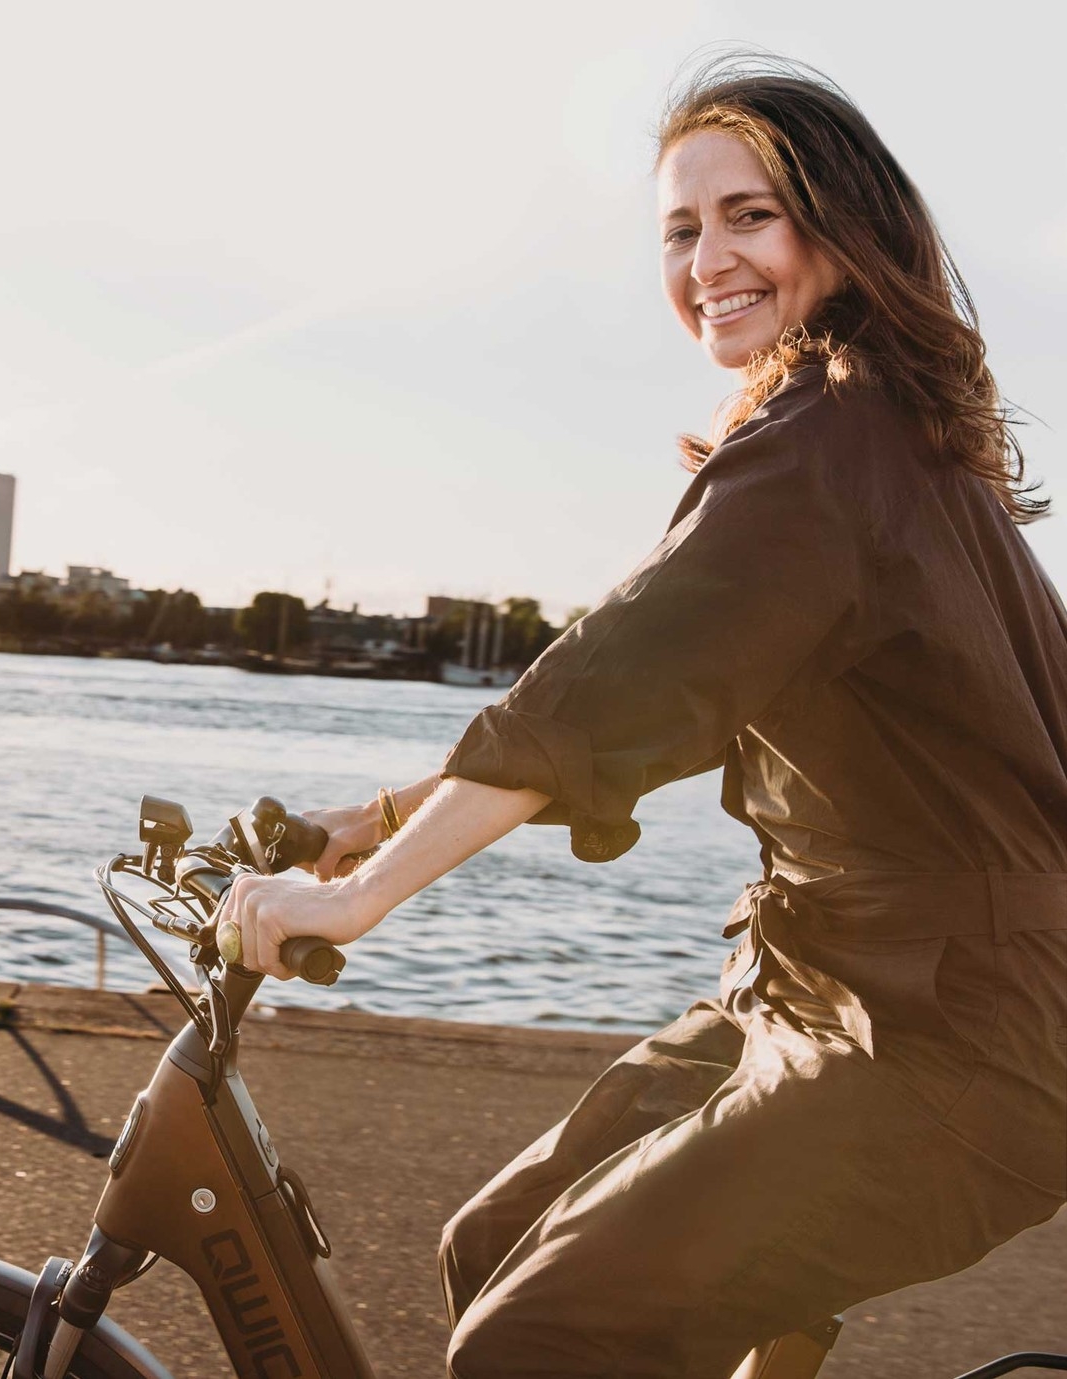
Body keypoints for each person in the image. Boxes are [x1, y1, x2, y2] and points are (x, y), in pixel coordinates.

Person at [217, 54, 1067, 1379]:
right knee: (498, 1245)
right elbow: (670, 699)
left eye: (750, 216)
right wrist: (373, 819)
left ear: (846, 231)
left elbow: (608, 683)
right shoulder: (868, 433)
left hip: (946, 1034)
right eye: (681, 229)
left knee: (540, 1342)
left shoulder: (828, 447)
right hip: (829, 993)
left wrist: (360, 896)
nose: (706, 259)